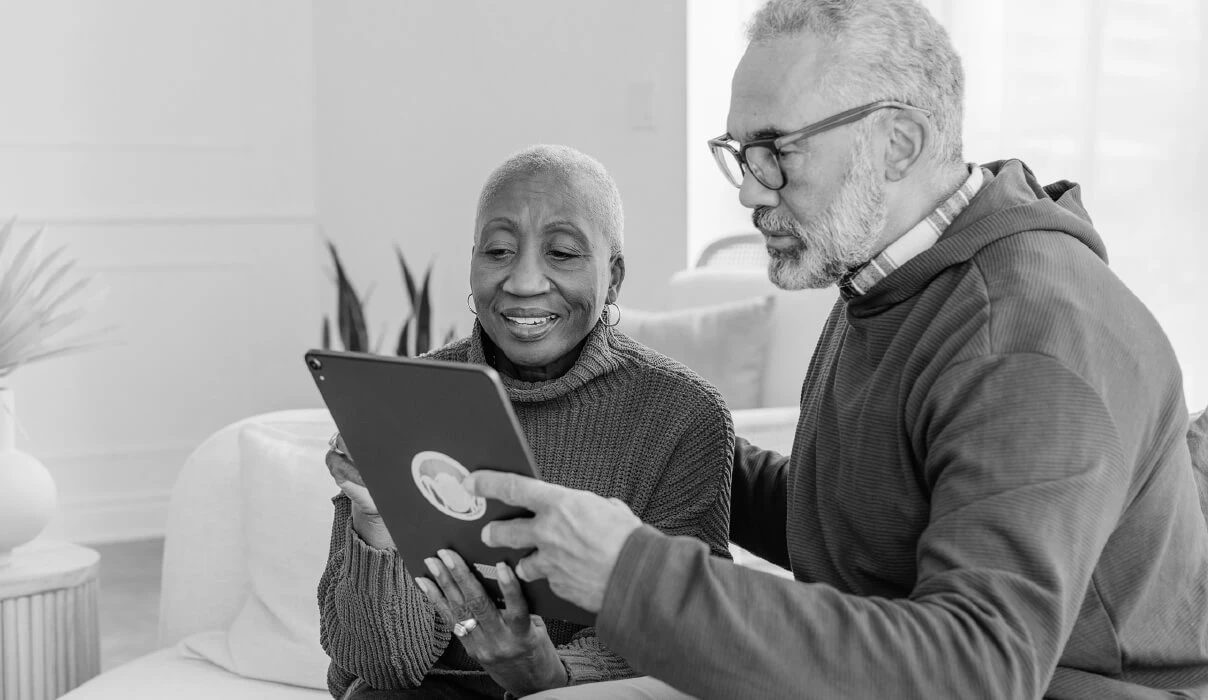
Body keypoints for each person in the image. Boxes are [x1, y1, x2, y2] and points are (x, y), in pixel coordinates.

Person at [465, 1, 1208, 698]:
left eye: (776, 152)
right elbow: (866, 528)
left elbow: (977, 668)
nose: (750, 193)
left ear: (898, 144)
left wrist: (630, 574)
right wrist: (652, 427)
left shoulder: (1026, 339)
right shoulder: (890, 276)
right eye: (741, 153)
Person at [317, 144, 734, 699]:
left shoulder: (683, 414)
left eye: (562, 253)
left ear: (613, 277)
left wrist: (547, 672)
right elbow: (380, 665)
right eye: (498, 250)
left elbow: (683, 630)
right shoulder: (402, 397)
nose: (524, 281)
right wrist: (376, 530)